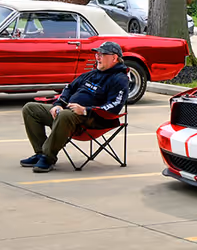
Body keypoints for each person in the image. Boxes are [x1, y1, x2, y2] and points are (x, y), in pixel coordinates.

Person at [20, 41, 128, 172]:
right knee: (30, 108)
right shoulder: (91, 74)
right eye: (97, 54)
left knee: (65, 115)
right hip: (68, 114)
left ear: (114, 57)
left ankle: (48, 157)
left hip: (92, 119)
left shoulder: (119, 79)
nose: (97, 57)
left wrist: (85, 110)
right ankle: (40, 153)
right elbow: (69, 88)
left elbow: (115, 105)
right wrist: (59, 104)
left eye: (102, 54)